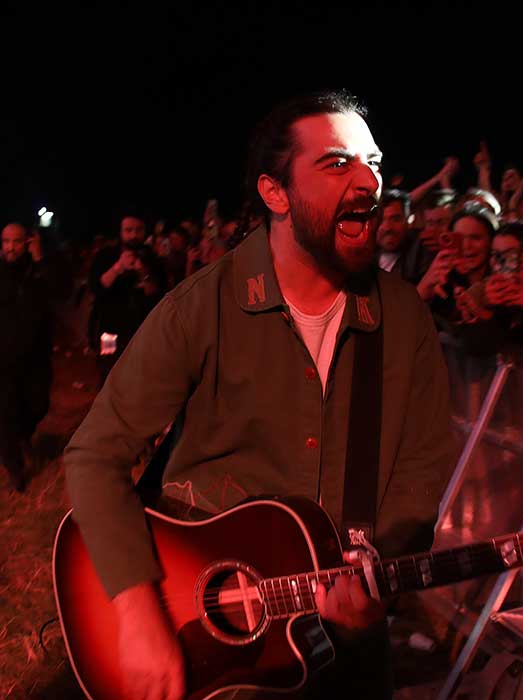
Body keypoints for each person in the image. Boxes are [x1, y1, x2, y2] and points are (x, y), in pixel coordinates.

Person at [63, 90, 455, 700]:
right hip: (210, 637)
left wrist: (382, 572)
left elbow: (421, 470)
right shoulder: (201, 307)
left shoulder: (402, 318)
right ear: (275, 194)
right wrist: (138, 611)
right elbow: (94, 455)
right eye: (338, 163)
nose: (368, 181)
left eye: (372, 162)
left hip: (346, 653)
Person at [0, 223, 54, 491]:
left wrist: (39, 259)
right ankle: (15, 468)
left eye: (16, 242)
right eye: (6, 242)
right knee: (5, 413)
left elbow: (54, 294)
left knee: (38, 404)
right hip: (4, 358)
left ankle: (24, 435)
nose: (10, 247)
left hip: (34, 357)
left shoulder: (36, 269)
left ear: (28, 242)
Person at [88, 214, 165, 380]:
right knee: (108, 374)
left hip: (141, 330)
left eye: (138, 230)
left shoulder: (152, 258)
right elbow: (97, 286)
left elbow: (157, 294)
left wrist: (143, 273)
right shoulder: (106, 255)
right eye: (128, 230)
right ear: (120, 232)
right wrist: (118, 267)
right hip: (108, 330)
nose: (133, 235)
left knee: (139, 376)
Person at [375, 188, 413, 273]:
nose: (387, 228)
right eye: (381, 220)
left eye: (396, 219)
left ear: (408, 221)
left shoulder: (420, 256)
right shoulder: (361, 261)